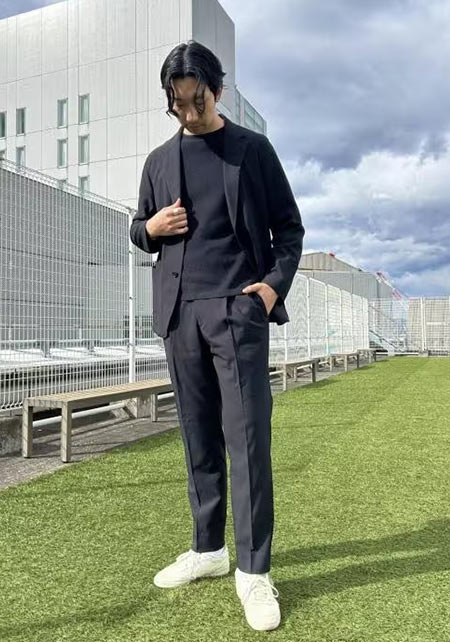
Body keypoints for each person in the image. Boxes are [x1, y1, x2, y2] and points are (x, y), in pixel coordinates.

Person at [130, 39, 305, 632]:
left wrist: (270, 290)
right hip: (179, 315)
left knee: (248, 440)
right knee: (198, 438)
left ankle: (254, 570)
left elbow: (289, 228)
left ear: (218, 90)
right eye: (176, 104)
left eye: (197, 100)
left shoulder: (252, 150)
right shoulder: (159, 161)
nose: (188, 113)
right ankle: (208, 550)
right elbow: (139, 227)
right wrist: (151, 228)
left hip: (238, 311)